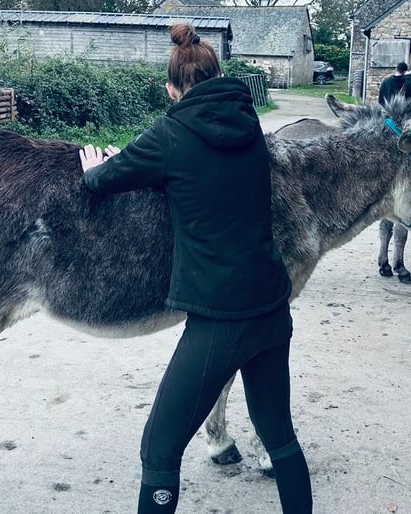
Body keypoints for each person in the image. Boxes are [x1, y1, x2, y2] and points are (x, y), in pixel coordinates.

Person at [79, 23, 313, 514]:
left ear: (171, 89)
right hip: (273, 308)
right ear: (219, 77)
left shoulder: (170, 134)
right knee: (280, 437)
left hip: (220, 322)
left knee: (159, 449)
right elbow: (211, 178)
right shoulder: (251, 128)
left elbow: (103, 180)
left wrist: (94, 166)